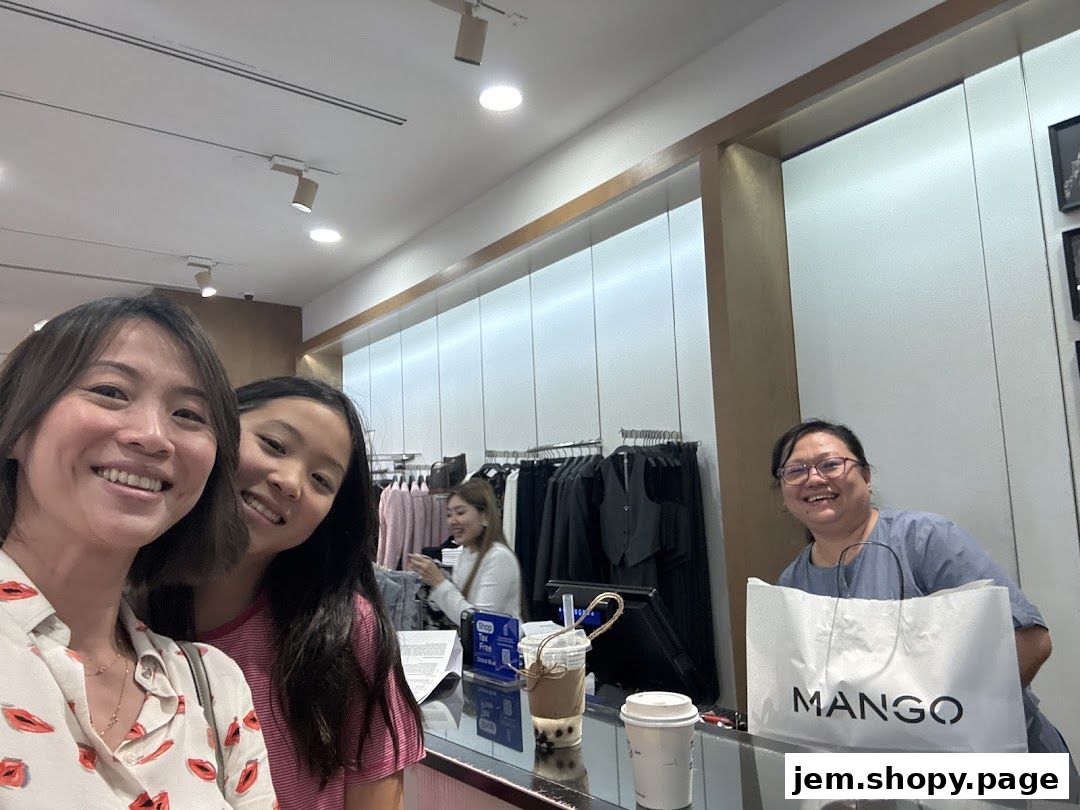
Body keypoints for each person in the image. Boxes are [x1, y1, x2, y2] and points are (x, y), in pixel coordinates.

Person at [0, 296, 276, 806]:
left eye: (189, 414)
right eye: (110, 391)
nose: (153, 437)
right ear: (17, 425)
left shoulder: (212, 687)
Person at [146, 376, 424, 810]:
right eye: (274, 445)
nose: (291, 482)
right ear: (214, 431)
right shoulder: (110, 606)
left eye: (321, 480)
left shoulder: (346, 633)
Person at [771, 418, 1076, 767]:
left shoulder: (923, 538)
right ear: (783, 492)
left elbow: (1031, 642)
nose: (814, 478)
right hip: (885, 779)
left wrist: (935, 726)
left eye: (830, 464)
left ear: (866, 476)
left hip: (993, 768)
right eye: (796, 471)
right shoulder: (792, 584)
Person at [408, 478, 523, 625]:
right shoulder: (466, 554)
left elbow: (482, 624)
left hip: (502, 646)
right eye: (449, 514)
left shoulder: (499, 558)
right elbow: (458, 610)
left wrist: (439, 581)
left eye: (460, 513)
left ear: (485, 517)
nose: (452, 521)